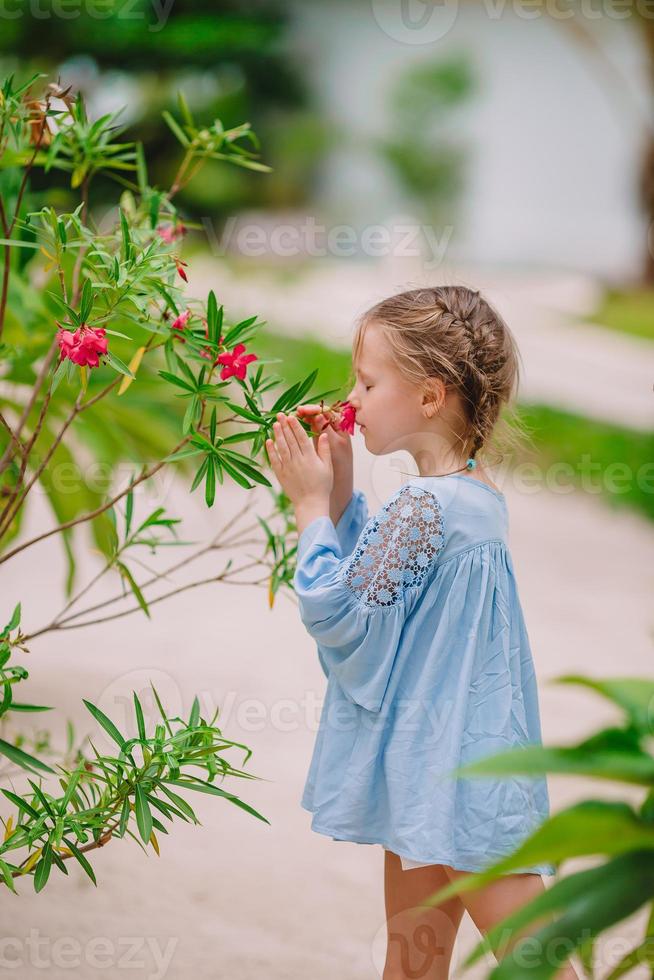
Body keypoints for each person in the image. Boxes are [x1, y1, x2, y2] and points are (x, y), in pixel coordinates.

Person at [265, 285, 579, 980]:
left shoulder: (422, 507)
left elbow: (342, 616)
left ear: (430, 396)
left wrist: (311, 507)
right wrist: (342, 485)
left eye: (369, 381)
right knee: (414, 968)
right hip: (447, 773)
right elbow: (387, 598)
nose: (354, 394)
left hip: (455, 785)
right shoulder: (466, 496)